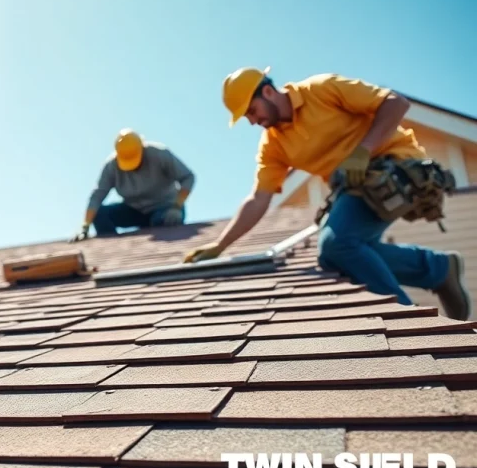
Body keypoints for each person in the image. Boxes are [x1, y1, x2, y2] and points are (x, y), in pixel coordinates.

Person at [183, 67, 470, 319]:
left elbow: (396, 103)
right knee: (338, 255)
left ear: (268, 92)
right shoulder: (273, 145)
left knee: (337, 244)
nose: (252, 121)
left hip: (397, 166)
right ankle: (438, 269)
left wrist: (363, 150)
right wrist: (220, 245)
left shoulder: (321, 90)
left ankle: (408, 321)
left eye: (251, 111)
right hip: (357, 187)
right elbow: (259, 198)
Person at [72, 128, 195, 241]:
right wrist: (85, 226)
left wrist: (177, 207)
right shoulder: (111, 166)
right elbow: (97, 196)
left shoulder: (159, 154)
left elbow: (188, 177)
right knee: (100, 214)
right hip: (134, 210)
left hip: (165, 208)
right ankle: (116, 251)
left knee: (163, 223)